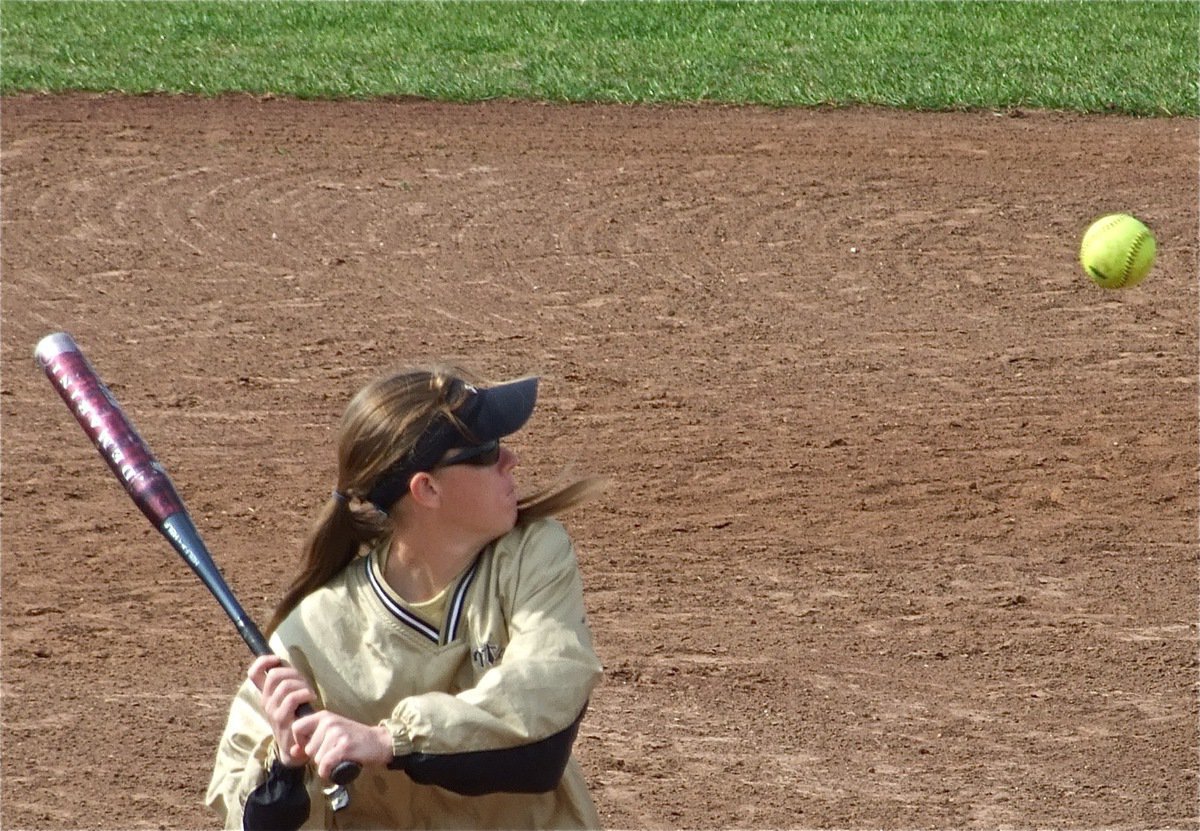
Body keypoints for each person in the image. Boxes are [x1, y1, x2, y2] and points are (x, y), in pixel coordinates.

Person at [206, 365, 606, 830]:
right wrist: (284, 771)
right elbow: (245, 814)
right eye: (487, 451)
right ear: (426, 489)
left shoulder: (530, 556)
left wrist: (390, 740)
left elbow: (545, 703)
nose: (510, 459)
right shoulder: (313, 635)